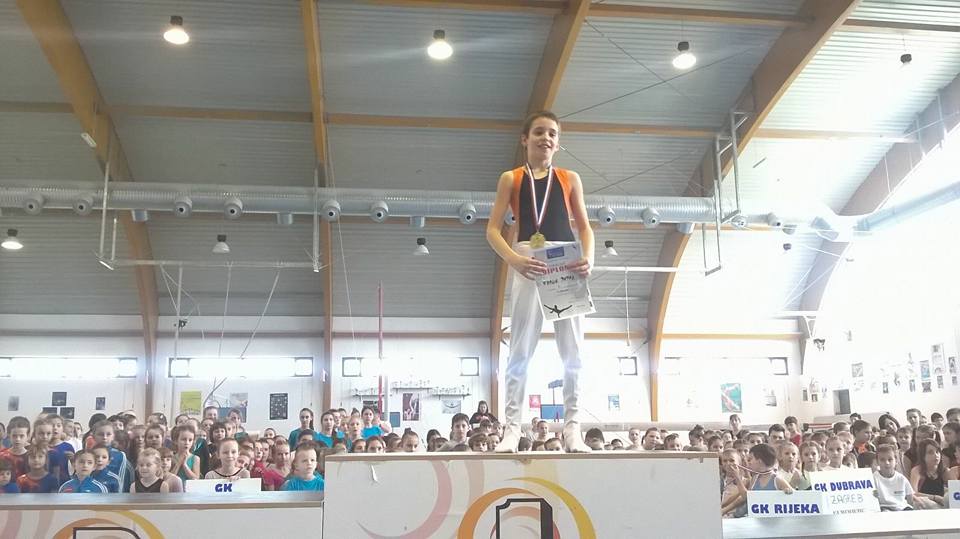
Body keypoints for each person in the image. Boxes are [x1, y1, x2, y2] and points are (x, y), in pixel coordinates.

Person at [486, 111, 593, 454]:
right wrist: (513, 259)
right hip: (528, 262)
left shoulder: (570, 178)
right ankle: (512, 429)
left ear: (558, 143)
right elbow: (492, 230)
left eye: (552, 134)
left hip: (567, 262)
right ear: (525, 139)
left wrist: (589, 258)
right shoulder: (511, 178)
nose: (546, 138)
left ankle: (573, 429)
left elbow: (584, 227)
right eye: (539, 132)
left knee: (573, 353)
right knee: (519, 349)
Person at [91, 420, 132, 492]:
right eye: (100, 434)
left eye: (108, 434)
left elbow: (123, 479)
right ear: (93, 436)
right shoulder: (88, 454)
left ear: (113, 436)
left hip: (113, 493)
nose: (104, 437)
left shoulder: (120, 456)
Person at [874, 444, 916, 511]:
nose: (887, 463)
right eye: (882, 460)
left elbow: (910, 498)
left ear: (896, 461)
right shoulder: (874, 478)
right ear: (877, 462)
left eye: (890, 459)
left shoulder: (901, 478)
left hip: (901, 508)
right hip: (883, 508)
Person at [910, 439, 948, 508]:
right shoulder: (917, 470)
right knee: (917, 502)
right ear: (923, 456)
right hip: (924, 504)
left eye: (937, 452)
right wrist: (934, 497)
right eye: (930, 452)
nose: (936, 455)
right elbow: (913, 493)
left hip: (942, 505)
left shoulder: (945, 471)